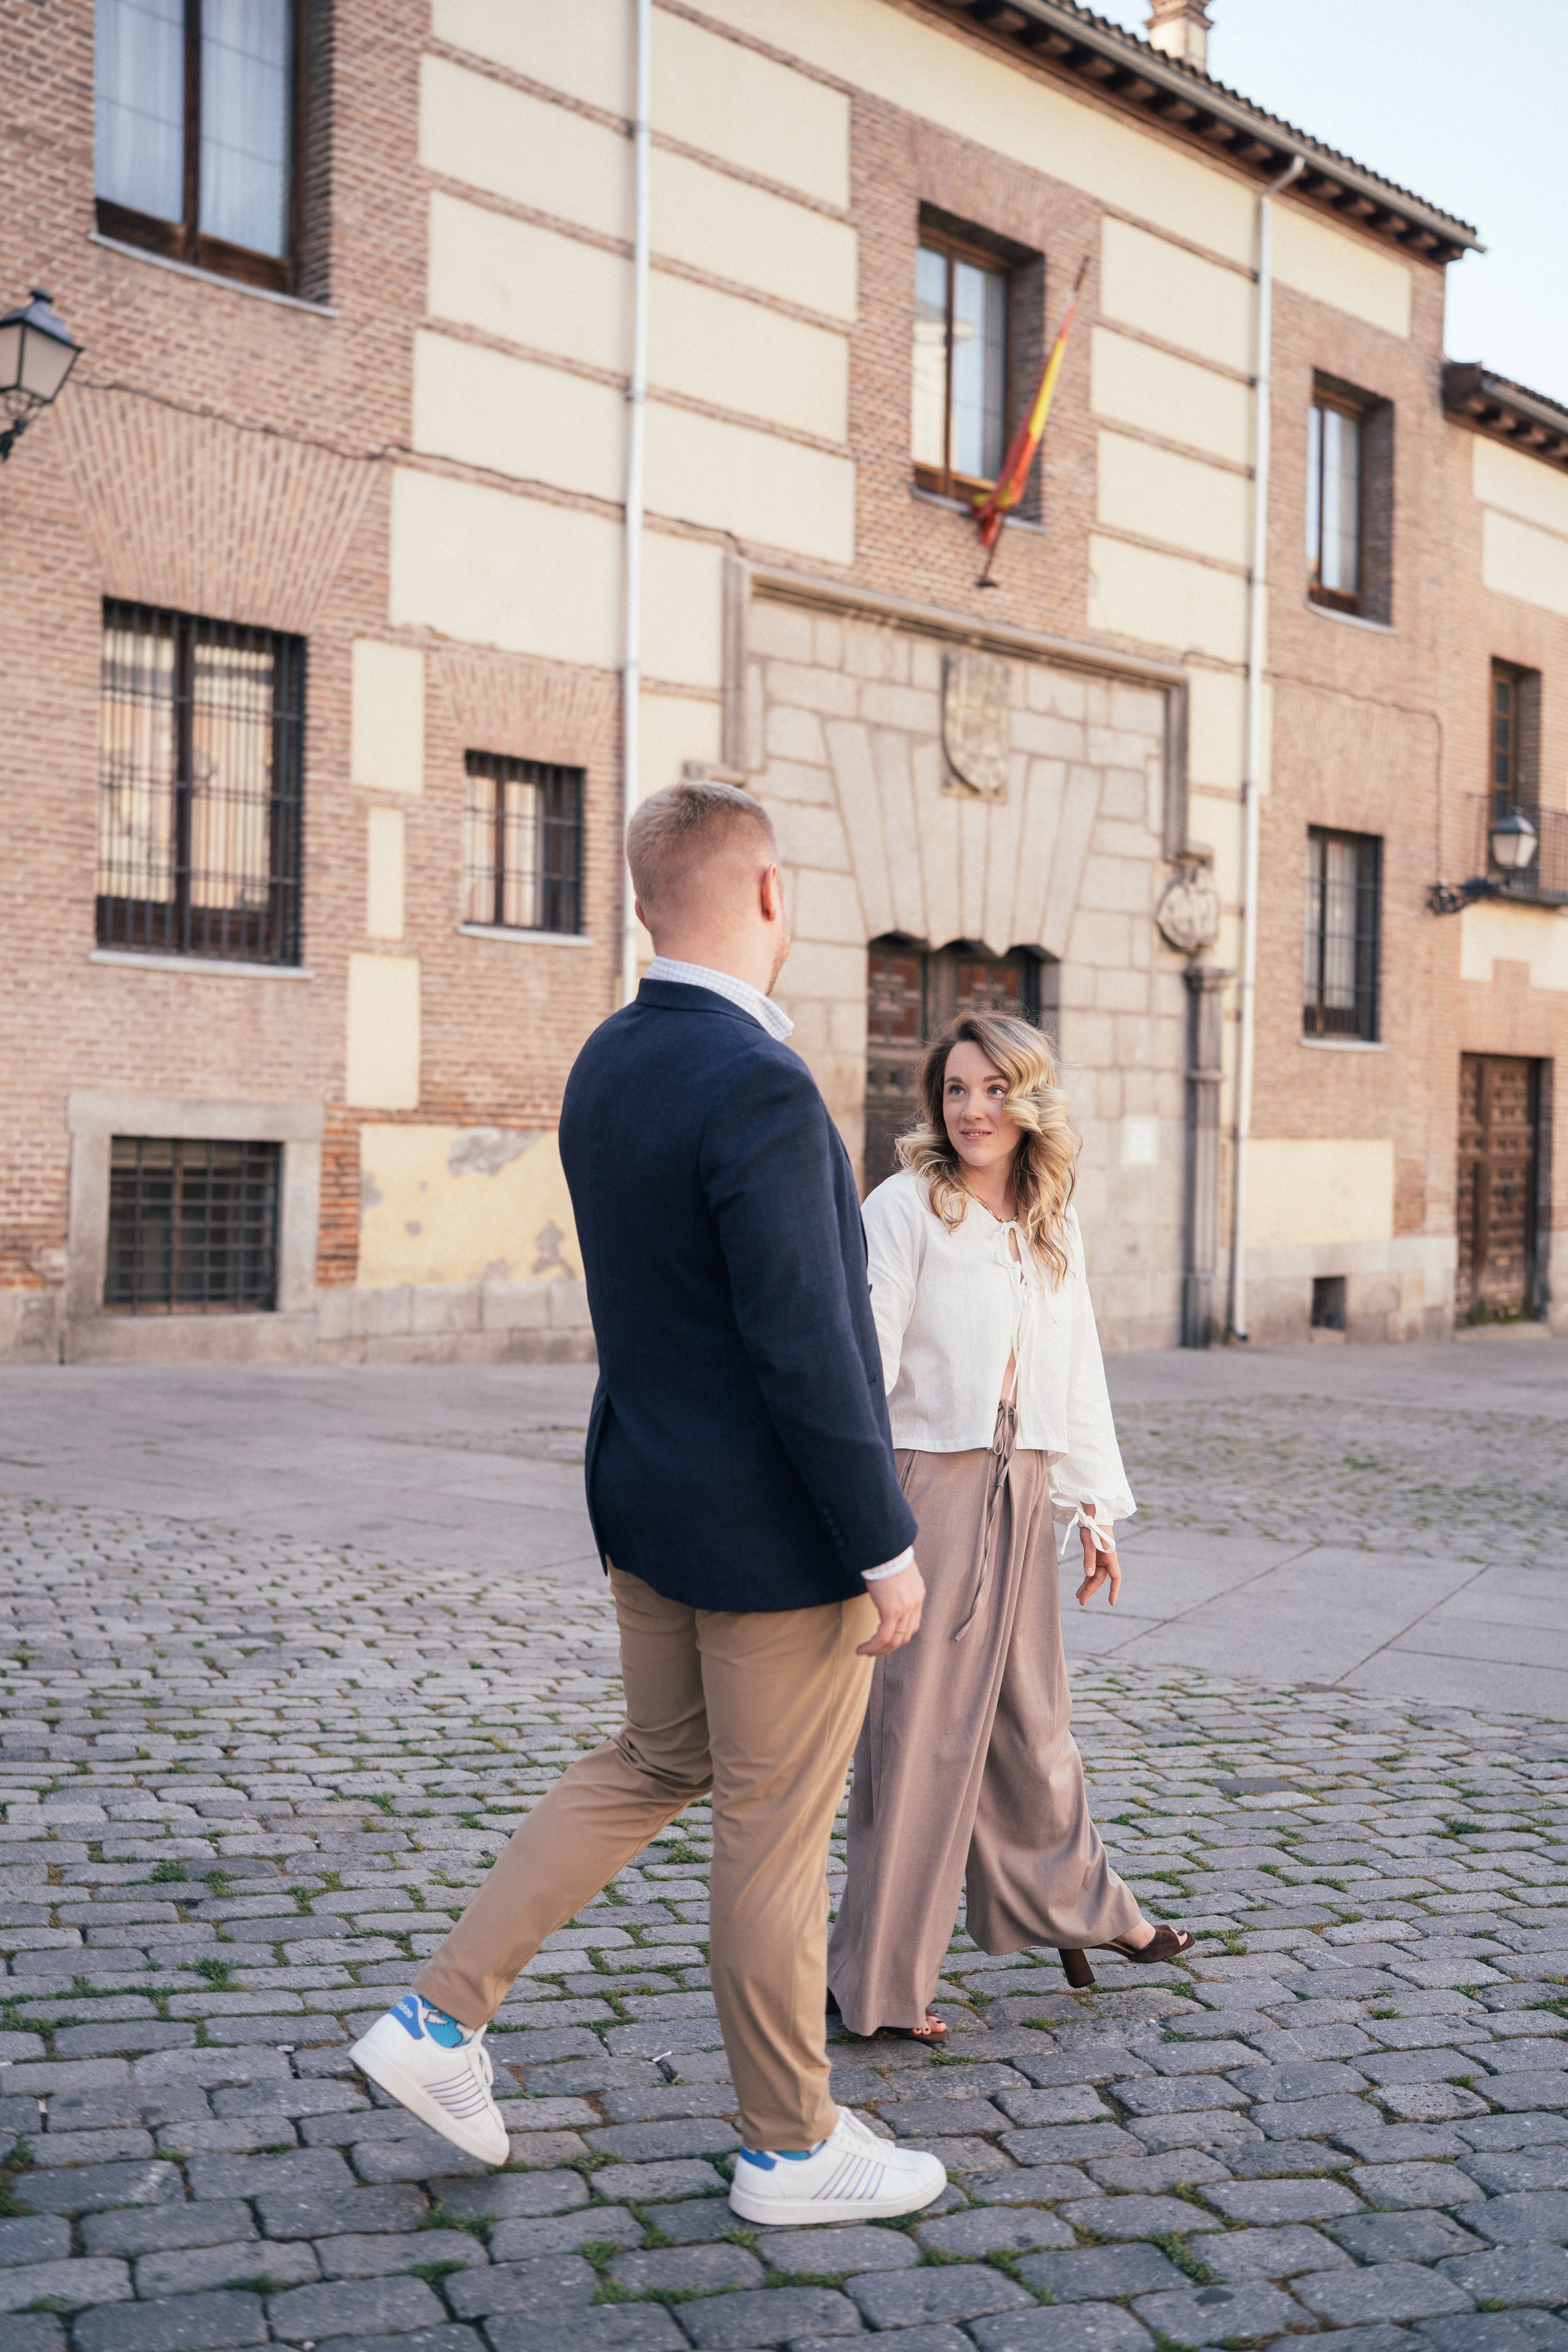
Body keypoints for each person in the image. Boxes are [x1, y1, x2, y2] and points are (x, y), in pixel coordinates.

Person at [352, 780, 946, 2228]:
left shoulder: (608, 1057)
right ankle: (789, 2149)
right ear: (765, 895)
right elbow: (805, 1346)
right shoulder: (757, 1086)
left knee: (651, 1760)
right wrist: (882, 1544)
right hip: (768, 1537)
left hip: (644, 1498)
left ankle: (434, 2026)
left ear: (637, 904)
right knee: (769, 1824)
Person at [827, 1011, 1193, 2041]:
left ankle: (1081, 1907)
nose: (975, 1109)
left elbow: (1075, 1370)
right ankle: (879, 1984)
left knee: (1033, 1721)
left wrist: (1091, 1509)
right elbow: (866, 1361)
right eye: (957, 1091)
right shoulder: (904, 1208)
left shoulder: (1050, 1221)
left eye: (995, 1090)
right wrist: (875, 1528)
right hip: (931, 1487)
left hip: (1025, 1489)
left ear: (1029, 1102)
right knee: (918, 1740)